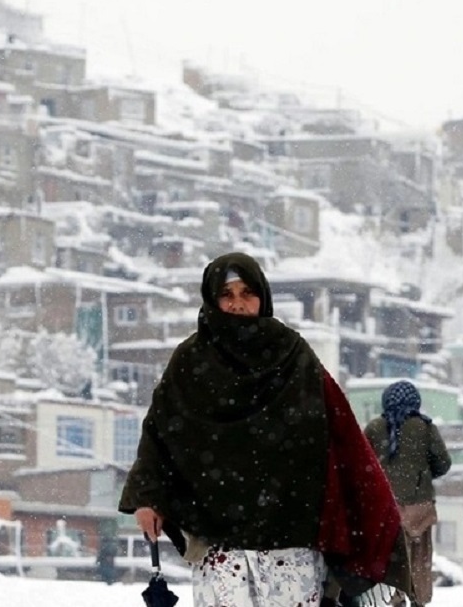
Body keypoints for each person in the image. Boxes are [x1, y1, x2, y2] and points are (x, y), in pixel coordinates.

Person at [119, 252, 412, 607]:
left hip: (292, 536)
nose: (239, 304)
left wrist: (368, 506)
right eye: (227, 295)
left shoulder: (292, 354)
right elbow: (159, 434)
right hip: (219, 539)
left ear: (263, 296)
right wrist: (147, 498)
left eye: (247, 293)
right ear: (212, 299)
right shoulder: (190, 361)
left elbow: (342, 434)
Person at [363, 380, 453, 607]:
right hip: (419, 504)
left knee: (390, 555)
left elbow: (362, 463)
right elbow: (443, 463)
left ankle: (394, 596)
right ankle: (418, 598)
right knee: (420, 556)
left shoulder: (374, 428)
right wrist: (422, 473)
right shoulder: (425, 427)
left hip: (385, 506)